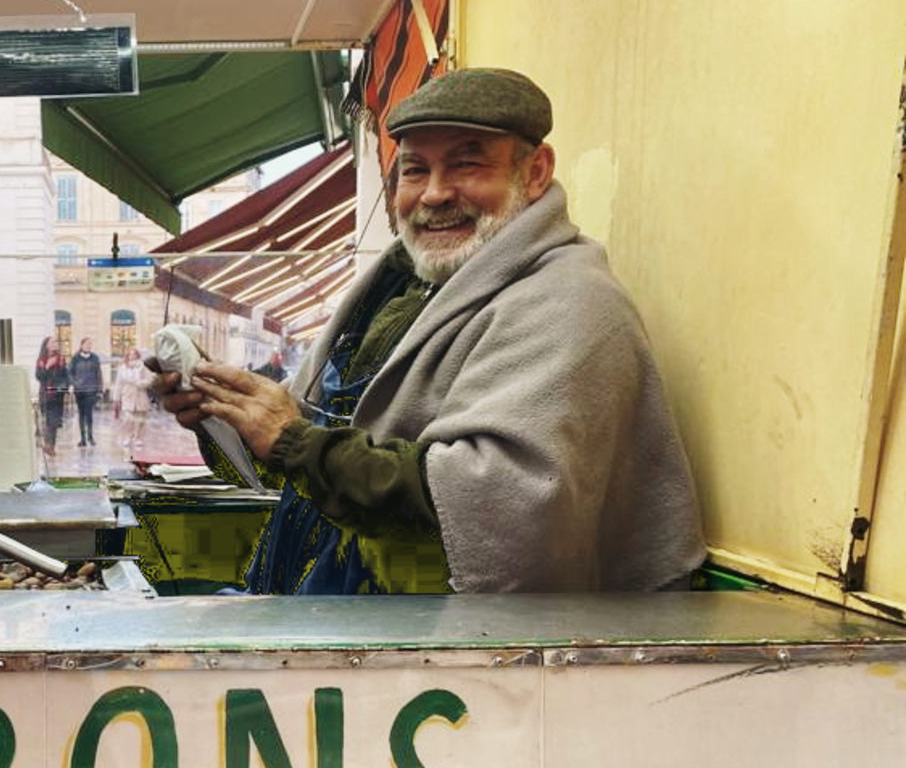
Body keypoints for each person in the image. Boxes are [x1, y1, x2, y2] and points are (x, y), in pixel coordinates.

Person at [154, 66, 704, 595]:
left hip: (474, 656)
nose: (435, 194)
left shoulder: (572, 303)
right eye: (416, 170)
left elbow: (491, 501)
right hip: (351, 603)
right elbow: (304, 461)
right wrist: (222, 414)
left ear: (534, 173)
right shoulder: (404, 285)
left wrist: (296, 444)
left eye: (468, 165)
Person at [114, 346, 154, 454]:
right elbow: (118, 384)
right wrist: (116, 398)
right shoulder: (122, 368)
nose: (132, 357)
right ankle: (127, 436)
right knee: (128, 418)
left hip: (140, 394)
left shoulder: (143, 367)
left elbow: (150, 379)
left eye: (134, 354)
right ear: (127, 356)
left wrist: (141, 383)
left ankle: (137, 437)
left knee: (139, 419)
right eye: (130, 355)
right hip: (127, 394)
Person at [34, 335, 69, 456]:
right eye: (52, 342)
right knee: (47, 420)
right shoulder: (42, 360)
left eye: (56, 342)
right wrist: (48, 366)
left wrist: (64, 387)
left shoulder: (61, 359)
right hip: (45, 394)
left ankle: (51, 446)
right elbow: (39, 376)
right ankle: (48, 444)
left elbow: (66, 376)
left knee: (54, 422)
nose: (55, 344)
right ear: (47, 345)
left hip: (57, 394)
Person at [69, 337, 104, 447]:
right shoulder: (75, 358)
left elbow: (99, 374)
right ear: (81, 345)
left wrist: (100, 389)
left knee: (89, 414)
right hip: (79, 390)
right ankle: (82, 438)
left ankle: (90, 437)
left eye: (90, 344)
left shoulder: (94, 358)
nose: (89, 346)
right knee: (81, 414)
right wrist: (74, 383)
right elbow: (69, 372)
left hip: (91, 389)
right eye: (87, 344)